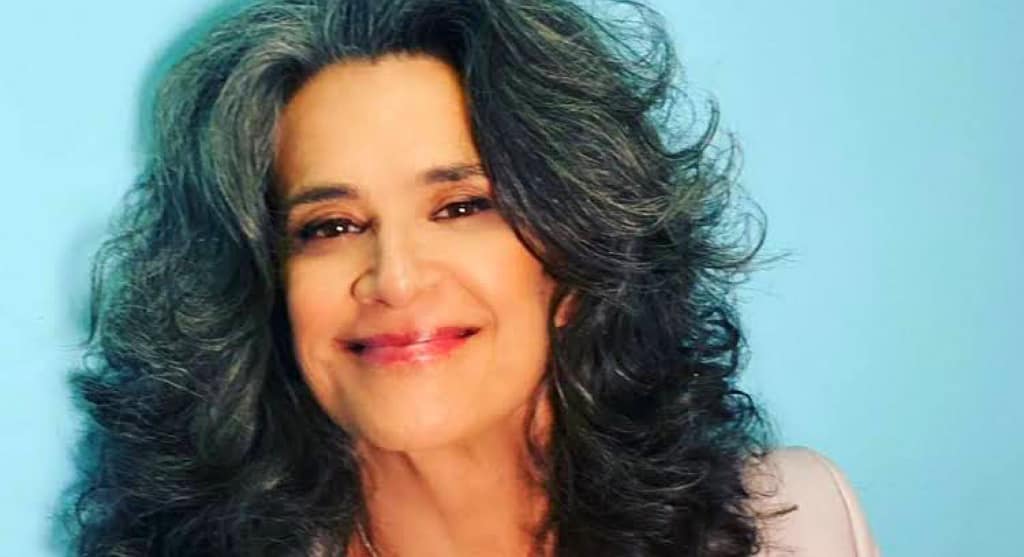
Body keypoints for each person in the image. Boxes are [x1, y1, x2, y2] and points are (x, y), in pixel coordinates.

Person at [61, 0, 879, 555]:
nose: (394, 277)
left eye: (460, 206)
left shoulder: (798, 523)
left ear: (577, 249)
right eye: (330, 226)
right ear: (265, 289)